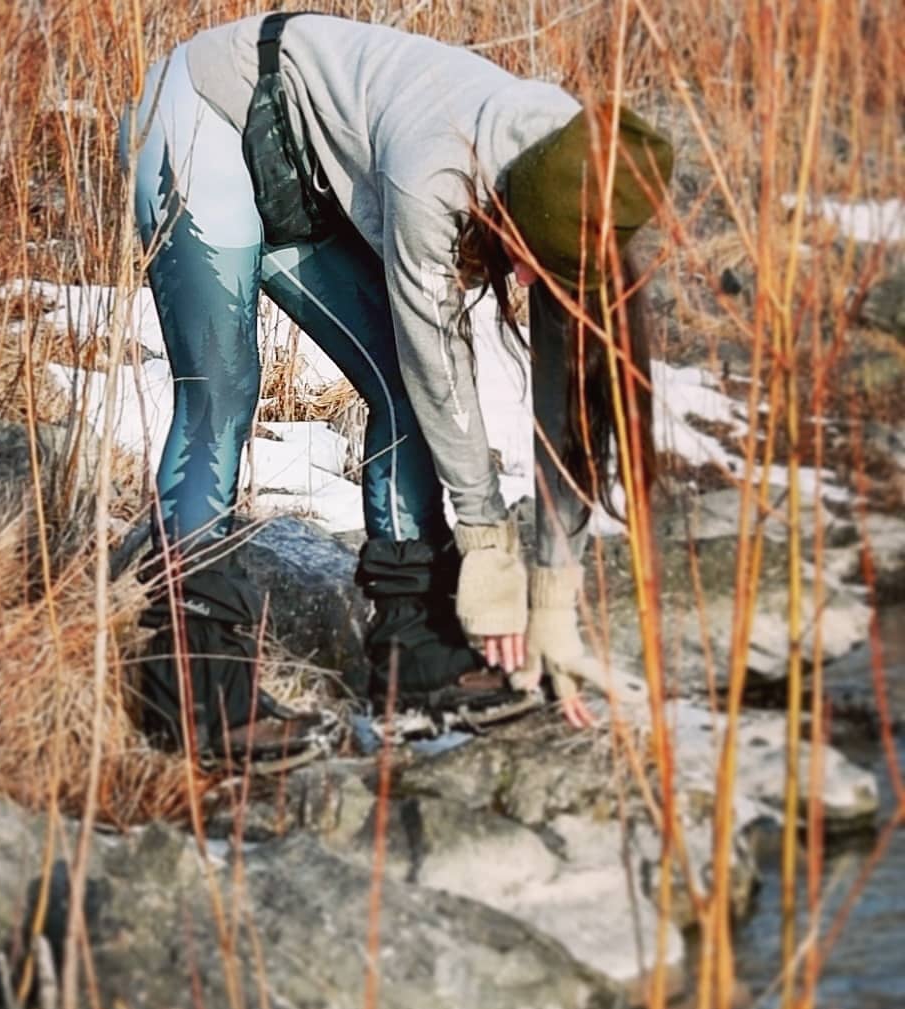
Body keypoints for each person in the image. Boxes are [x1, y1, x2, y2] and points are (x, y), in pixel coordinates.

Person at [119, 11, 672, 752]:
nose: (539, 285)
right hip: (207, 115)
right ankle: (193, 687)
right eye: (539, 268)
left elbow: (564, 407)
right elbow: (439, 362)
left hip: (305, 174)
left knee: (403, 398)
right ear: (517, 218)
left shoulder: (581, 177)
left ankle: (414, 657)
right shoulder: (436, 172)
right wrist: (486, 543)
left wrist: (553, 602)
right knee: (222, 393)